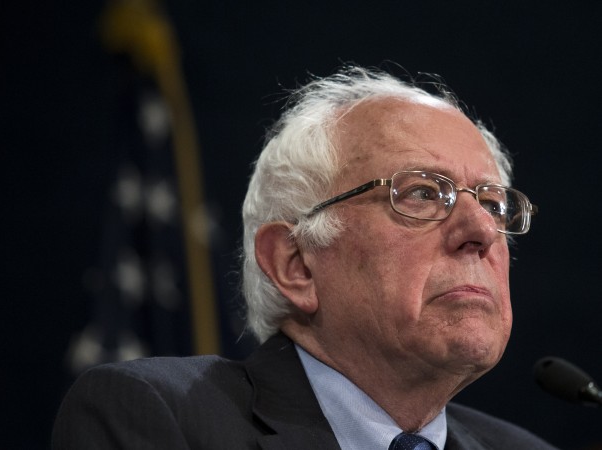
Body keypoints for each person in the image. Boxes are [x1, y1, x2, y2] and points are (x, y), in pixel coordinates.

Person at [52, 66, 556, 449]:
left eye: (492, 202)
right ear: (296, 264)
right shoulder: (162, 419)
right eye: (422, 194)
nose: (481, 231)